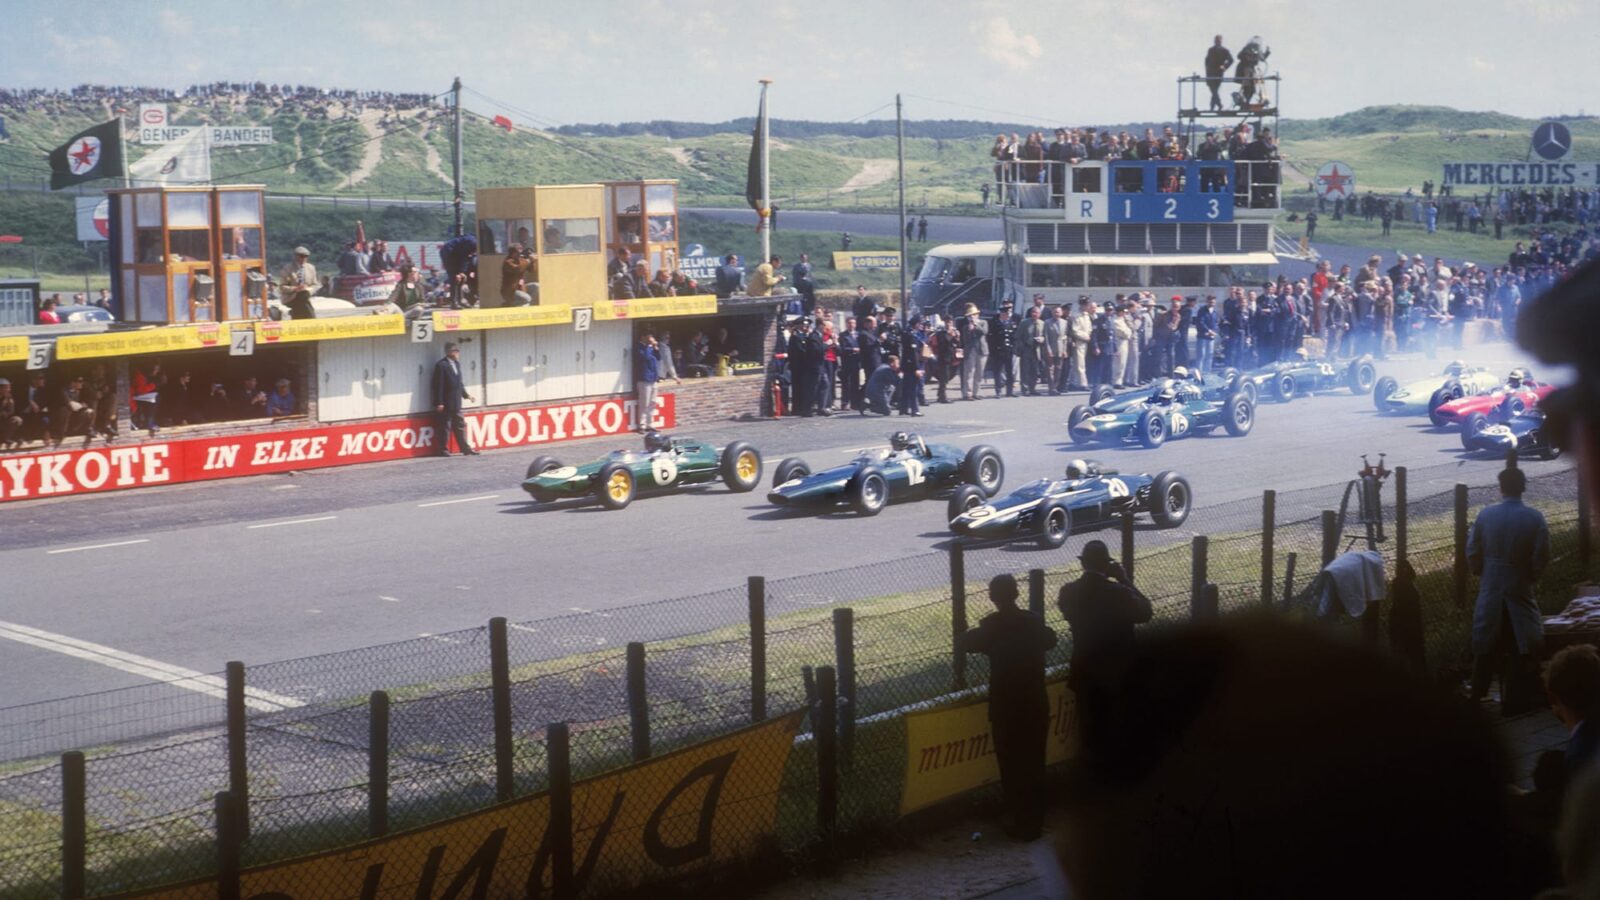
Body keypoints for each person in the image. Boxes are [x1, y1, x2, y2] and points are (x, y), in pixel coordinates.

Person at [957, 573, 1059, 841]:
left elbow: (966, 643)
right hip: (1035, 702)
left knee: (1012, 765)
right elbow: (1051, 639)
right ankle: (1034, 820)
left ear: (993, 597)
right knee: (1035, 763)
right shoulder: (1032, 623)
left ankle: (1020, 820)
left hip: (1006, 706)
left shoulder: (993, 627)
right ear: (1016, 593)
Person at [1468, 466, 1551, 714]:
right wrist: (1530, 576)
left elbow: (1472, 550)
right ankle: (1516, 697)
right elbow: (1541, 556)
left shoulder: (1486, 515)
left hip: (1491, 584)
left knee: (1486, 641)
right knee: (1520, 641)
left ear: (1501, 487)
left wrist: (1482, 571)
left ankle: (1477, 693)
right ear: (1523, 487)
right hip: (1519, 584)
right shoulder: (1535, 518)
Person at [1057, 539, 1152, 727]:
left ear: (1083, 563)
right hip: (1118, 672)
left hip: (1086, 671)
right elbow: (1145, 613)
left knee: (1090, 727)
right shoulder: (1118, 592)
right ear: (1106, 565)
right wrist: (1124, 579)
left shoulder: (1068, 592)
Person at [431, 342, 476, 456]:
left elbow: (458, 383)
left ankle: (465, 448)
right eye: (456, 351)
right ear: (449, 352)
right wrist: (439, 402)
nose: (458, 353)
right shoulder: (441, 365)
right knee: (445, 427)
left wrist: (466, 395)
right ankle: (443, 450)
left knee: (460, 425)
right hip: (446, 403)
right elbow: (438, 385)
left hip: (456, 402)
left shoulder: (457, 364)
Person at [957, 303, 988, 400]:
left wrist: (976, 325)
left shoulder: (983, 322)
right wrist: (970, 329)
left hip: (981, 350)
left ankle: (976, 392)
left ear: (977, 315)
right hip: (970, 350)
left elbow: (984, 332)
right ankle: (967, 393)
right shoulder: (966, 326)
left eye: (974, 315)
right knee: (969, 372)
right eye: (970, 316)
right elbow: (965, 339)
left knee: (979, 372)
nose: (972, 317)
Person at [898, 316, 927, 417]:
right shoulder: (912, 336)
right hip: (911, 366)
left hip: (906, 365)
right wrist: (917, 368)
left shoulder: (907, 333)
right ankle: (915, 410)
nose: (921, 326)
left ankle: (903, 409)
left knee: (906, 388)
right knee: (913, 388)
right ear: (916, 324)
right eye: (919, 323)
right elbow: (913, 354)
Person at [634, 332, 662, 432]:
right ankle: (642, 425)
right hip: (644, 379)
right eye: (649, 337)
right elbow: (645, 357)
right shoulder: (639, 347)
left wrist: (655, 347)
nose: (651, 339)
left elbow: (658, 357)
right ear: (643, 337)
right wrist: (648, 345)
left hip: (653, 378)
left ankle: (650, 423)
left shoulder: (651, 348)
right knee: (644, 403)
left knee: (652, 402)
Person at [987, 302, 1017, 397]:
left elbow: (1013, 337)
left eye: (1008, 314)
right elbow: (991, 338)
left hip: (1008, 350)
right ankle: (998, 390)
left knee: (1009, 371)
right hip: (998, 350)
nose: (1008, 315)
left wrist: (1013, 347)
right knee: (997, 371)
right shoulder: (995, 323)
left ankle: (1010, 391)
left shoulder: (1011, 323)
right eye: (1006, 314)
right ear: (1002, 314)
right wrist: (992, 350)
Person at [1204, 35, 1233, 112]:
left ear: (1221, 41)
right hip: (1210, 73)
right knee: (1213, 90)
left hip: (1218, 73)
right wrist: (1207, 70)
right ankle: (1217, 105)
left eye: (1218, 40)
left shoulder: (1225, 50)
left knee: (1214, 90)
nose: (1217, 41)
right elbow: (1207, 61)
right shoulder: (1210, 50)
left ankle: (1215, 106)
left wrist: (1224, 66)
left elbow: (1231, 60)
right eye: (1216, 40)